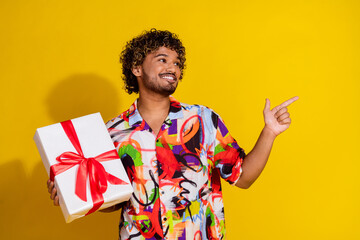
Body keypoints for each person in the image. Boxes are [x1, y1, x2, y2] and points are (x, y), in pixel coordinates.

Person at [47, 29, 298, 239]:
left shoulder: (202, 120)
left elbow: (243, 178)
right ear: (136, 68)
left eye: (177, 63)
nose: (173, 68)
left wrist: (270, 132)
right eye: (163, 59)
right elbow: (113, 200)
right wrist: (73, 191)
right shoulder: (113, 132)